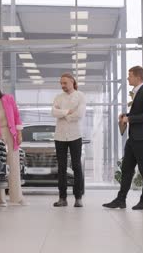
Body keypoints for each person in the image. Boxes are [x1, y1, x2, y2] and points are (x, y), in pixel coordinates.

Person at [103, 66, 143, 210]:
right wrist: (126, 116)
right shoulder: (139, 93)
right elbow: (141, 113)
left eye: (130, 76)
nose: (128, 78)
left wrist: (129, 119)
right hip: (134, 138)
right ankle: (121, 200)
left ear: (138, 77)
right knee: (126, 169)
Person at [51, 73, 86, 207]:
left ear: (72, 82)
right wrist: (68, 112)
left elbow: (80, 114)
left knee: (76, 166)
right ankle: (62, 198)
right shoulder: (58, 97)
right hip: (59, 136)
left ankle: (78, 198)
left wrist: (63, 113)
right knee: (61, 167)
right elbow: (53, 112)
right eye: (61, 83)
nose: (62, 86)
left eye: (65, 83)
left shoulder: (80, 96)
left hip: (75, 135)